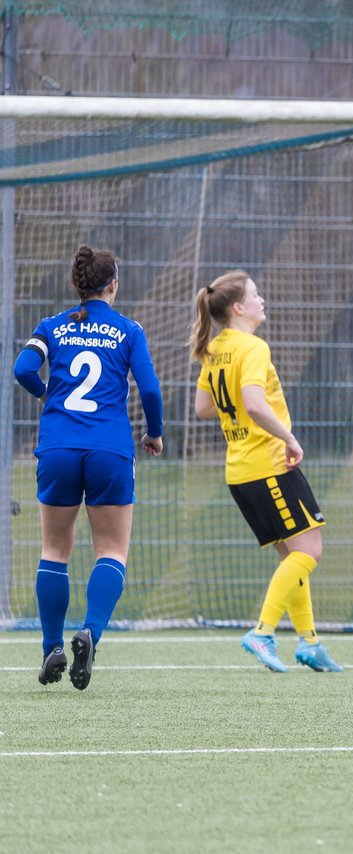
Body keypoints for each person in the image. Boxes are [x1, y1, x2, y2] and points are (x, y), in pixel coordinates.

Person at [14, 245, 164, 690]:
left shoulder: (52, 326)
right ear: (113, 285)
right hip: (109, 451)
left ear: (76, 285)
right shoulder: (128, 330)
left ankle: (51, 648)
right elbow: (151, 390)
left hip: (58, 446)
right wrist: (154, 433)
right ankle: (90, 633)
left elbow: (23, 369)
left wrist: (47, 394)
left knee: (54, 551)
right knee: (111, 551)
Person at [189, 270, 342, 674]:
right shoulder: (251, 347)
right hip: (269, 463)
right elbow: (254, 403)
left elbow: (204, 407)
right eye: (256, 295)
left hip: (240, 470)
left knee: (293, 556)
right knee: (310, 551)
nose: (262, 300)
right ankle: (262, 631)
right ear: (238, 307)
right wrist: (289, 438)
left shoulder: (216, 346)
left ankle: (309, 642)